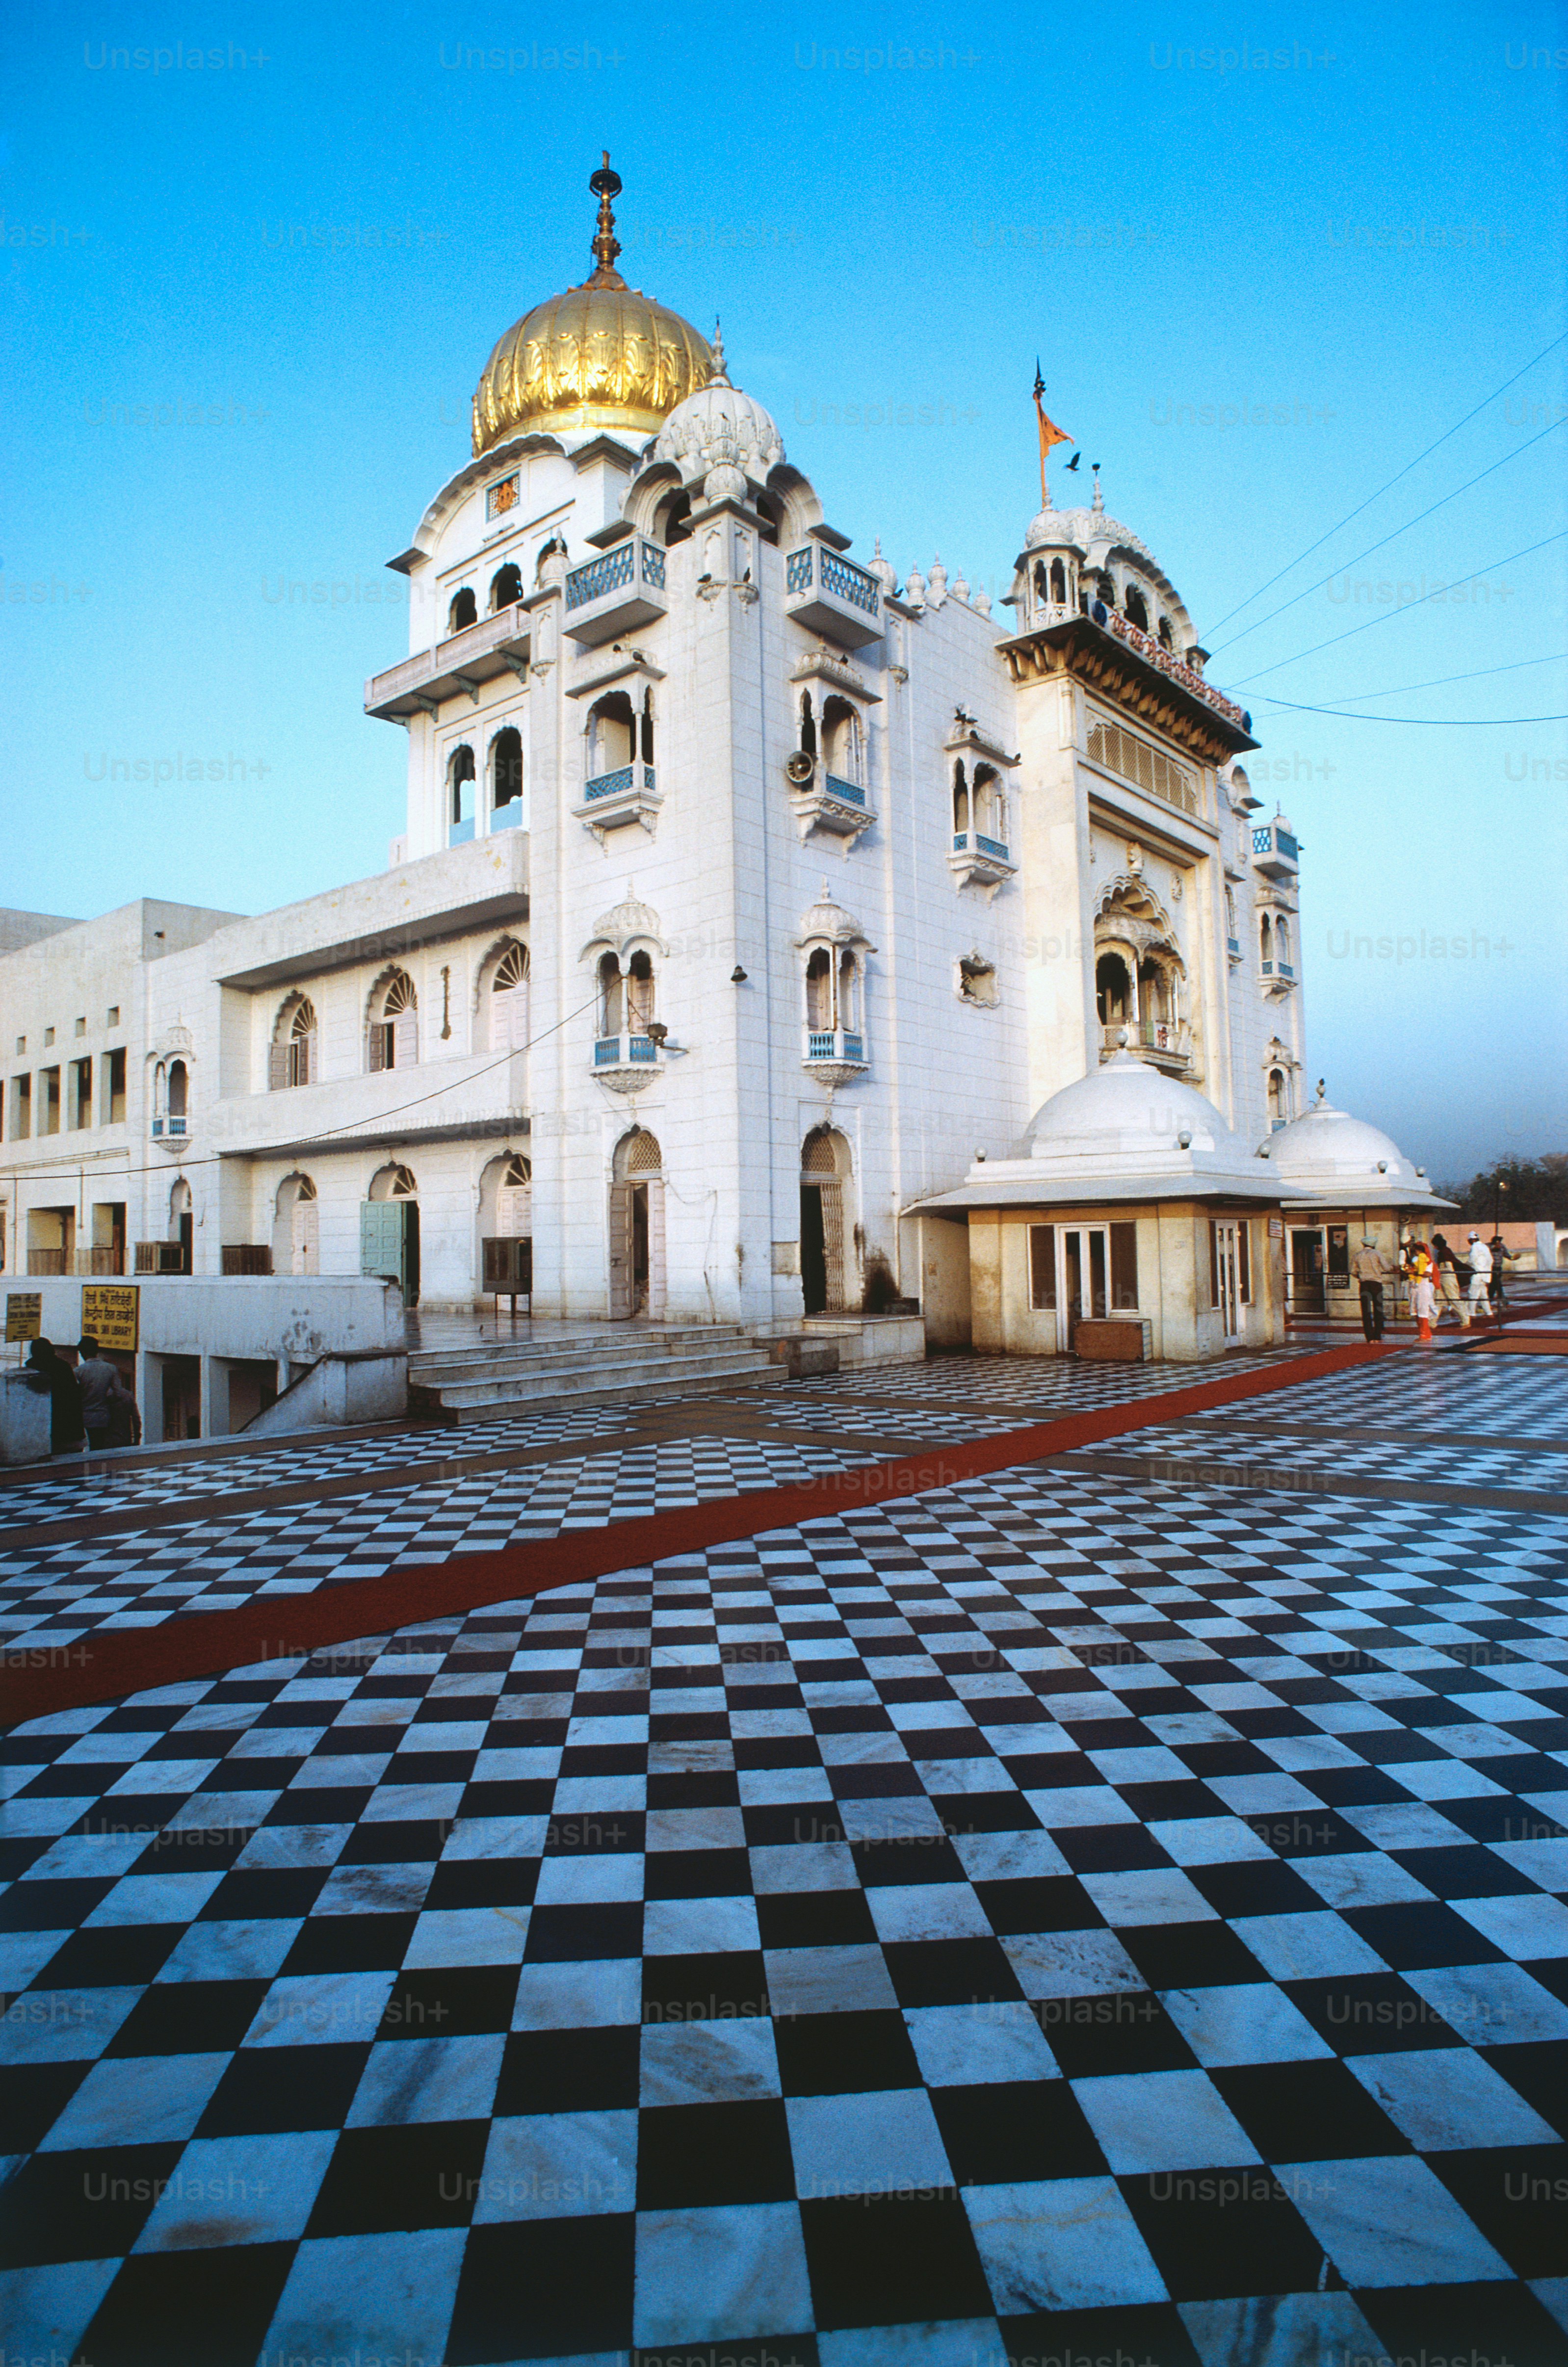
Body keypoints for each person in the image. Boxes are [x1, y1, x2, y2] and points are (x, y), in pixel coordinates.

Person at [75, 1334, 137, 1453]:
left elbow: (75, 1395)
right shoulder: (110, 1368)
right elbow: (118, 1393)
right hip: (104, 1416)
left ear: (82, 1353)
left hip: (85, 1417)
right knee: (100, 1449)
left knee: (87, 1450)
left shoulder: (79, 1371)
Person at [25, 1337, 85, 1457]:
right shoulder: (63, 1366)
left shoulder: (31, 1368)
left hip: (41, 1423)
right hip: (67, 1422)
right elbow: (74, 1394)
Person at [1350, 1236, 1392, 1340]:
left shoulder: (1357, 1255)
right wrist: (1394, 1268)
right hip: (1376, 1284)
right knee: (1378, 1309)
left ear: (1363, 1245)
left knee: (1366, 1311)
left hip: (1364, 1284)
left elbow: (1353, 1271)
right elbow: (1386, 1268)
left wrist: (1360, 1276)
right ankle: (1377, 1336)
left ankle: (1369, 1337)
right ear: (1373, 1245)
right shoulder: (1377, 1254)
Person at [1431, 1232, 1468, 1330]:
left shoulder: (1445, 1253)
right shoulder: (1443, 1252)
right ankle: (1432, 1322)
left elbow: (1449, 1268)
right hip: (1442, 1278)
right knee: (1439, 1300)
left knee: (1453, 1299)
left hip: (1448, 1278)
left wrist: (1436, 1271)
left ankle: (1465, 1320)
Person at [1465, 1231, 1493, 1326]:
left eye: (1469, 1240)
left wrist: (1465, 1265)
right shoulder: (1485, 1247)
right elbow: (1490, 1260)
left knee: (1473, 1293)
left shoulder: (1475, 1247)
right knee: (1483, 1295)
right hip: (1485, 1274)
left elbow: (1472, 1260)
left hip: (1477, 1273)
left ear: (1472, 1240)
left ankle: (1471, 1313)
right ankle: (1489, 1313)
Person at [1412, 1262, 1437, 1345]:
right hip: (1415, 1287)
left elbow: (1428, 1274)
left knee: (1423, 1311)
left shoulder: (1428, 1262)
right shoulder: (1415, 1260)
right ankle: (1425, 1333)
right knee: (1416, 1311)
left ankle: (1425, 1334)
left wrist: (1415, 1272)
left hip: (1423, 1288)